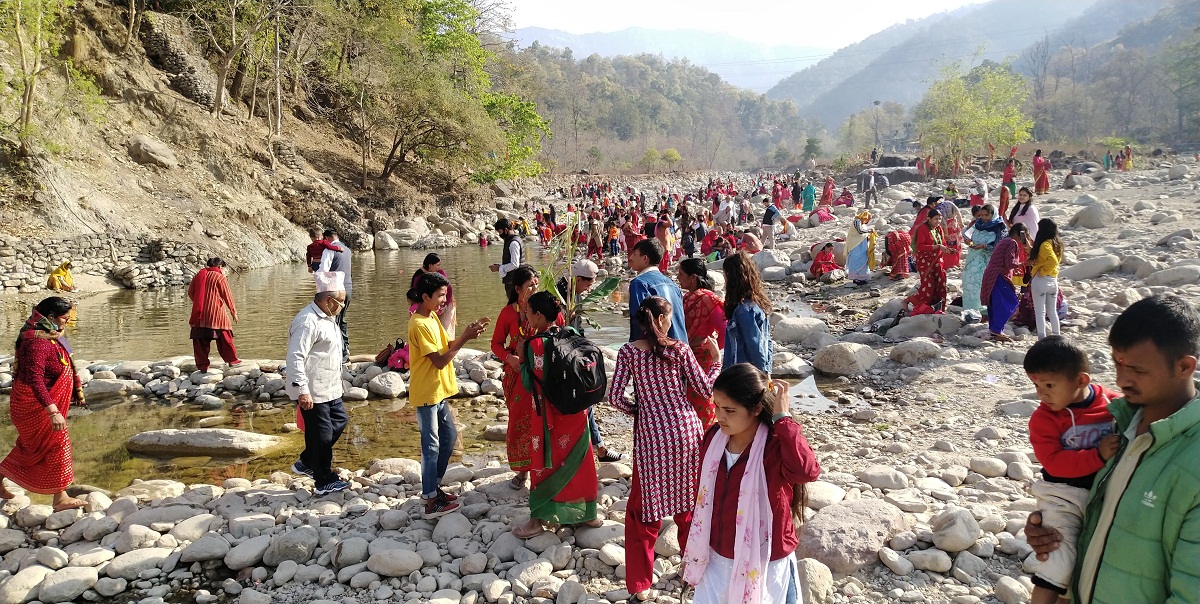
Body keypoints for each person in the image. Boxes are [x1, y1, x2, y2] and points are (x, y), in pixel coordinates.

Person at [1024, 295, 1200, 604]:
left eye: (1137, 370)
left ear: (1184, 366)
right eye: (1118, 363)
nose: (1121, 380)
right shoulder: (1120, 421)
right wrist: (1052, 530)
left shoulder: (1191, 458)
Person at [682, 364, 822, 604]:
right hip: (717, 555)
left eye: (729, 410)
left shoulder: (775, 445)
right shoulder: (714, 438)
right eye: (716, 406)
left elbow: (807, 471)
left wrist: (784, 419)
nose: (719, 416)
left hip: (766, 558)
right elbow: (702, 498)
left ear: (756, 408)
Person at [608, 296, 715, 604]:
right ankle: (694, 575)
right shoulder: (679, 350)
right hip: (685, 432)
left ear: (643, 321)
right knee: (688, 507)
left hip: (651, 437)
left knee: (643, 511)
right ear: (665, 319)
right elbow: (706, 390)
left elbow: (615, 397)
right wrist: (717, 360)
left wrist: (641, 410)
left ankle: (641, 585)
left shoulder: (628, 352)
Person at [1022, 337, 1121, 604]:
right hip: (1061, 495)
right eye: (1036, 385)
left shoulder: (1113, 405)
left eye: (1050, 385)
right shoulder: (1043, 418)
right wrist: (1097, 455)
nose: (1041, 394)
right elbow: (1053, 463)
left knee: (1083, 568)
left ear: (1081, 381)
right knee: (1057, 563)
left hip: (1101, 494)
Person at [511, 292, 603, 538]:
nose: (527, 316)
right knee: (580, 461)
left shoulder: (535, 344)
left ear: (539, 315)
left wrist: (521, 358)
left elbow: (531, 383)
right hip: (576, 412)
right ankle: (588, 514)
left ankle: (537, 520)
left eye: (529, 312)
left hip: (548, 416)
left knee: (543, 463)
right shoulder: (571, 333)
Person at [407, 271, 489, 518]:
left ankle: (434, 487)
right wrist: (465, 337)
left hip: (438, 390)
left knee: (450, 435)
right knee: (430, 446)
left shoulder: (431, 316)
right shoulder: (419, 324)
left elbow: (446, 347)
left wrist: (466, 333)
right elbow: (440, 361)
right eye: (441, 295)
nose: (445, 300)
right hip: (426, 392)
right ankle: (430, 500)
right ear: (425, 296)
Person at [0, 297, 87, 511]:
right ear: (50, 317)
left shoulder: (48, 334)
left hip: (41, 403)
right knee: (58, 445)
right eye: (65, 319)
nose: (68, 322)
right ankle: (60, 499)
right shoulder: (38, 342)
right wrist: (53, 411)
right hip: (34, 405)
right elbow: (34, 379)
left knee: (32, 449)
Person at [286, 272, 350, 495]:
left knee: (339, 421)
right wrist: (302, 390)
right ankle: (324, 480)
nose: (343, 305)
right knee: (321, 434)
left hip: (330, 387)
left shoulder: (329, 317)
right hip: (313, 389)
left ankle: (307, 460)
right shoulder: (307, 321)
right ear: (328, 300)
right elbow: (295, 357)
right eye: (341, 301)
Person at [491, 265, 546, 489]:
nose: (534, 288)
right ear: (517, 289)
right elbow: (495, 344)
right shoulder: (508, 313)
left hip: (542, 375)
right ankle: (523, 471)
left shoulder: (544, 308)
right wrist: (509, 358)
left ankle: (542, 470)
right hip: (517, 377)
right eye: (529, 285)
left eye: (536, 284)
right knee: (519, 423)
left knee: (542, 421)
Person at [678, 258, 727, 428]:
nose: (678, 277)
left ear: (693, 277)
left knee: (701, 397)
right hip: (691, 356)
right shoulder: (687, 298)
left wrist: (714, 349)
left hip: (700, 357)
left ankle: (704, 437)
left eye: (681, 274)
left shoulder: (706, 299)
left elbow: (724, 329)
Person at [627, 238, 687, 342]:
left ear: (645, 258)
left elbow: (639, 322)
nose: (631, 257)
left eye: (635, 254)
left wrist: (635, 350)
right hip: (679, 345)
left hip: (657, 350)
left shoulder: (639, 283)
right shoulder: (672, 284)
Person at [187, 257, 241, 372]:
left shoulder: (198, 276)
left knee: (200, 342)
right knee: (225, 338)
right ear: (220, 267)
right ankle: (232, 360)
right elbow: (227, 296)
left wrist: (199, 302)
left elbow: (190, 293)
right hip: (216, 313)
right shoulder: (220, 277)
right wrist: (233, 312)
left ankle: (202, 367)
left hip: (200, 313)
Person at [722, 252, 773, 373]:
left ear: (731, 276)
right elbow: (767, 342)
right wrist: (767, 370)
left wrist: (762, 375)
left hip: (742, 374)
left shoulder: (743, 311)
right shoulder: (758, 304)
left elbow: (754, 346)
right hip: (751, 372)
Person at [980, 224, 1030, 342]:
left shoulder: (1005, 241)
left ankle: (995, 329)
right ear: (1020, 234)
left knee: (995, 302)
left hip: (992, 274)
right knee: (1010, 302)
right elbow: (1009, 263)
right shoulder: (1012, 243)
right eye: (1025, 235)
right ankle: (997, 329)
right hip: (999, 275)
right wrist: (1024, 264)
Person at [961, 205, 1006, 314]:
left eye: (987, 215)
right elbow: (967, 236)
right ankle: (970, 309)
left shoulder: (999, 227)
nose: (984, 218)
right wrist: (969, 242)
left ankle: (985, 309)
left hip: (987, 261)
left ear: (993, 214)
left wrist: (985, 246)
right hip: (973, 259)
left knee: (983, 283)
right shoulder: (977, 224)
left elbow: (1001, 246)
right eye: (981, 215)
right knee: (969, 282)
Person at [317, 228, 353, 361]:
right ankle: (346, 349)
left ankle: (339, 352)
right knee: (341, 320)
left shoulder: (329, 250)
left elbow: (322, 271)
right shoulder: (347, 250)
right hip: (348, 289)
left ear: (326, 238)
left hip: (335, 291)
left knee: (333, 322)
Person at [907, 209, 951, 313]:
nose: (938, 221)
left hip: (937, 261)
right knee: (928, 287)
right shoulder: (923, 228)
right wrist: (938, 246)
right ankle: (912, 302)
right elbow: (920, 247)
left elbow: (943, 243)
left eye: (940, 219)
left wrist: (948, 249)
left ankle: (938, 308)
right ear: (929, 219)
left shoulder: (938, 229)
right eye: (936, 219)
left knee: (941, 284)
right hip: (925, 262)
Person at [1028, 218, 1063, 340]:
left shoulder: (1045, 245)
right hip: (1053, 280)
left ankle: (1041, 338)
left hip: (1041, 280)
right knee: (1052, 312)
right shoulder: (1057, 243)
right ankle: (1057, 336)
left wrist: (1042, 272)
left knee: (1040, 313)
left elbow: (1052, 261)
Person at [410, 253, 457, 338]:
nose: (439, 267)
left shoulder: (440, 273)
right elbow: (415, 294)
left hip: (445, 305)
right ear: (430, 265)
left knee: (444, 330)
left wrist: (445, 306)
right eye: (437, 265)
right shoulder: (419, 276)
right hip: (429, 306)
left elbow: (449, 289)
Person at [489, 218, 526, 288]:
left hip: (514, 282)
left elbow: (515, 264)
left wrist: (499, 268)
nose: (499, 234)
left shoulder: (513, 243)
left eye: (500, 232)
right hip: (516, 280)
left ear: (506, 230)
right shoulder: (512, 240)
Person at [845, 210, 876, 284]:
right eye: (868, 218)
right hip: (855, 245)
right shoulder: (857, 221)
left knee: (863, 260)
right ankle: (856, 278)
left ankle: (862, 277)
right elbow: (860, 231)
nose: (868, 220)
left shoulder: (863, 224)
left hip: (862, 245)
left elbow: (862, 234)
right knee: (855, 259)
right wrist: (869, 231)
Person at [938, 200, 964, 270]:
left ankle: (948, 264)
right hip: (955, 227)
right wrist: (961, 223)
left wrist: (946, 234)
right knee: (957, 246)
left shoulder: (940, 211)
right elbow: (958, 213)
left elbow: (944, 224)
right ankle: (956, 262)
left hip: (948, 230)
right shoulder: (950, 204)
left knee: (949, 246)